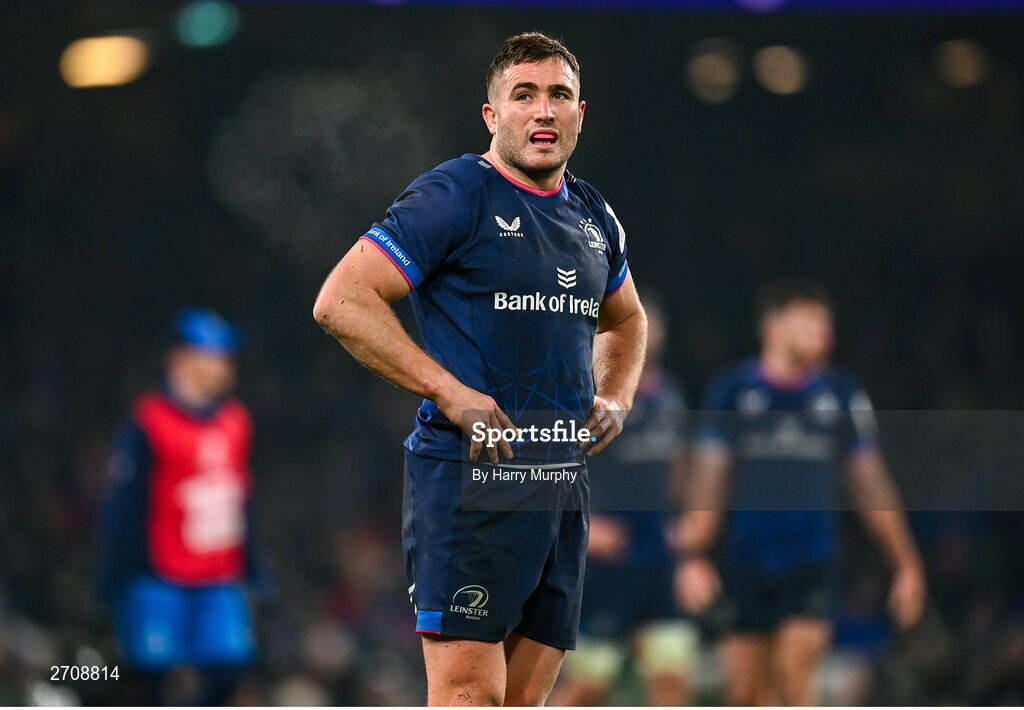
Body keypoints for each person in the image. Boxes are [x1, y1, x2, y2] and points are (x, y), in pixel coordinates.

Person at [313, 32, 647, 707]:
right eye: (523, 95)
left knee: (523, 704)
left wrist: (616, 395)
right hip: (471, 487)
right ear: (493, 115)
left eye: (558, 95)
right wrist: (448, 389)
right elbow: (342, 300)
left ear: (582, 112)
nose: (543, 111)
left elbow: (628, 319)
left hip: (560, 492)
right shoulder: (456, 195)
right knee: (470, 696)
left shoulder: (593, 216)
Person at [675, 279, 927, 706]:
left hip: (811, 559)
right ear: (772, 325)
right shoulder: (732, 392)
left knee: (794, 678)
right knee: (744, 694)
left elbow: (871, 487)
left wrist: (905, 562)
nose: (823, 333)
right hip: (745, 561)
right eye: (809, 320)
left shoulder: (841, 395)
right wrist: (692, 556)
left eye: (825, 323)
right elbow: (707, 484)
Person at [98, 307, 259, 706]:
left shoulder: (235, 421)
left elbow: (242, 499)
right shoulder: (148, 423)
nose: (223, 364)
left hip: (218, 578)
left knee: (229, 669)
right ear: (180, 359)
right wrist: (113, 578)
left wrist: (253, 564)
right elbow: (124, 506)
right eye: (212, 353)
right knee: (149, 676)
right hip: (159, 577)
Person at [554, 293, 698, 706]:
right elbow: (554, 467)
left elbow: (679, 468)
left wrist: (683, 527)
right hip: (607, 558)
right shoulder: (586, 394)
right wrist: (585, 525)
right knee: (590, 685)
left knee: (671, 676)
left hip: (659, 554)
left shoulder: (671, 396)